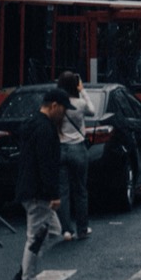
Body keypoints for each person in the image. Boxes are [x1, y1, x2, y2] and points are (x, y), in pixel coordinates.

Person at [14, 87, 68, 280]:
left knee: (54, 232)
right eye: (63, 110)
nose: (64, 115)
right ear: (54, 105)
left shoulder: (33, 123)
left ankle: (25, 272)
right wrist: (52, 193)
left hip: (31, 188)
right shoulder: (45, 129)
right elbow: (46, 163)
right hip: (38, 192)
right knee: (35, 237)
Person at [55, 71, 91, 241]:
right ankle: (82, 229)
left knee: (63, 191)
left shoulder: (56, 104)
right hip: (78, 147)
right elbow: (92, 110)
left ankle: (66, 230)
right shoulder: (79, 104)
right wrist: (82, 90)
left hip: (60, 148)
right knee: (80, 190)